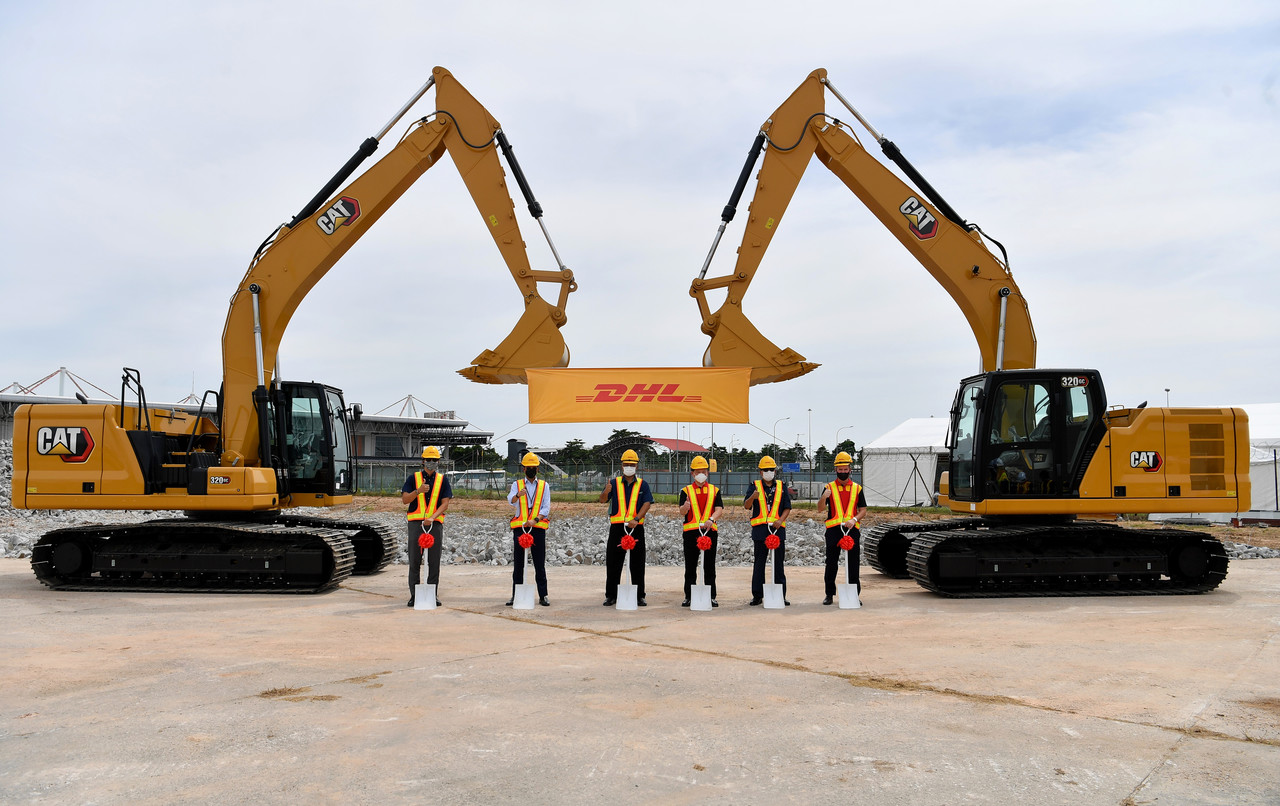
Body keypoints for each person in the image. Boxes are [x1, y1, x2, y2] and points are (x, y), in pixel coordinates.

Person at [598, 448, 653, 606]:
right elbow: (602, 500)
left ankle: (639, 595)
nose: (629, 466)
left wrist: (636, 518)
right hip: (617, 527)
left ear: (636, 466)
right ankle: (611, 595)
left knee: (637, 563)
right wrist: (606, 491)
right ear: (622, 466)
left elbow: (647, 503)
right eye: (626, 464)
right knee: (613, 562)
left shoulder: (643, 485)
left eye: (632, 464)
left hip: (636, 527)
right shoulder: (613, 483)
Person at [402, 446, 452, 607]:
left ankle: (432, 594)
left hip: (434, 524)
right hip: (416, 524)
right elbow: (405, 500)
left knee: (434, 561)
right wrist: (418, 491)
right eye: (429, 460)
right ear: (423, 461)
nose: (431, 463)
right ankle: (414, 595)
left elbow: (445, 504)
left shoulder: (442, 480)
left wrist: (432, 517)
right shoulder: (413, 478)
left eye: (435, 460)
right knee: (415, 560)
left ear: (438, 462)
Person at [817, 451, 868, 605]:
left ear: (850, 470)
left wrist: (854, 519)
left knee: (853, 563)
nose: (843, 472)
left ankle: (854, 595)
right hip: (833, 530)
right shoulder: (829, 487)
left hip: (851, 529)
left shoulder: (857, 488)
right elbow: (820, 509)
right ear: (836, 470)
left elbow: (863, 510)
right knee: (831, 563)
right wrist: (824, 497)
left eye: (846, 469)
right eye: (840, 469)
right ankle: (829, 594)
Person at [506, 452, 551, 607]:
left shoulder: (544, 486)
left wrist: (535, 520)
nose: (531, 469)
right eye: (528, 467)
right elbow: (511, 501)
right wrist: (518, 495)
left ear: (537, 469)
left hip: (537, 527)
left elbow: (546, 507)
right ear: (523, 469)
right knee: (519, 564)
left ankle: (543, 595)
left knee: (539, 563)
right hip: (520, 528)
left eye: (533, 467)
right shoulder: (516, 485)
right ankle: (516, 595)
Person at [745, 455, 791, 606]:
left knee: (778, 564)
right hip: (760, 530)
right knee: (759, 563)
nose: (768, 472)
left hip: (777, 529)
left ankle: (780, 595)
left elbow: (787, 507)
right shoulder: (754, 485)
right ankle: (757, 595)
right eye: (765, 470)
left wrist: (780, 520)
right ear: (760, 472)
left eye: (771, 469)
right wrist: (753, 497)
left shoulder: (781, 486)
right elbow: (746, 506)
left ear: (775, 471)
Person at [679, 455, 723, 607]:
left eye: (703, 471)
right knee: (690, 566)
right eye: (698, 472)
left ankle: (711, 596)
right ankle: (689, 596)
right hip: (691, 532)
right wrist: (684, 508)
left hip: (709, 530)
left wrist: (712, 519)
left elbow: (719, 509)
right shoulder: (686, 491)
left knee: (709, 565)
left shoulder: (714, 490)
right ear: (692, 473)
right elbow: (682, 512)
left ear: (707, 473)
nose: (701, 474)